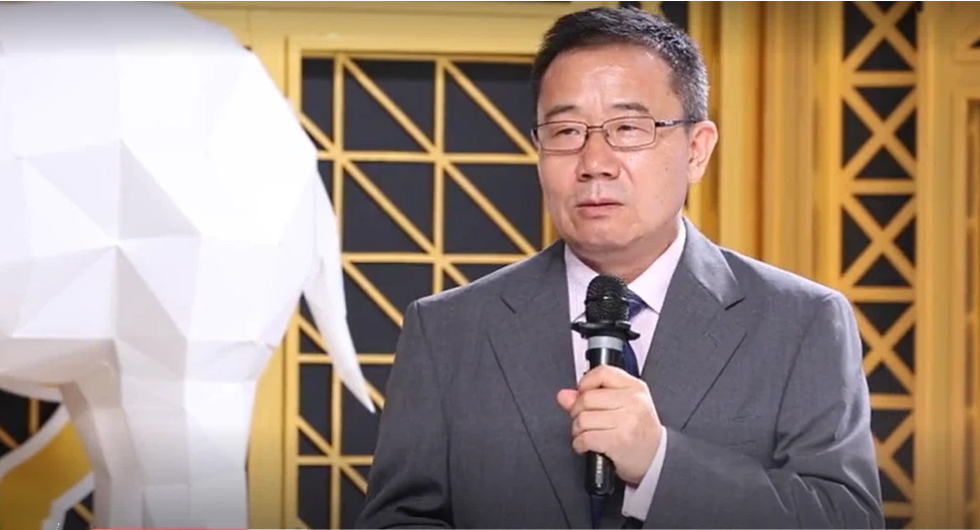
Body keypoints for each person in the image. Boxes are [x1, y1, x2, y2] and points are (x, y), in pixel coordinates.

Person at [357, 6, 884, 529]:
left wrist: (660, 465)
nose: (594, 163)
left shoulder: (801, 322)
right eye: (566, 131)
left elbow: (846, 520)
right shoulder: (447, 330)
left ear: (697, 150)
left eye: (629, 128)